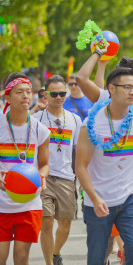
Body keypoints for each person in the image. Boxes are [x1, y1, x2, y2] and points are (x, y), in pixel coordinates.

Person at [75, 67, 133, 264]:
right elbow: (80, 167)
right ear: (111, 88)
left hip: (131, 198)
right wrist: (94, 198)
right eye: (127, 87)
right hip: (98, 201)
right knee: (96, 258)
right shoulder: (91, 123)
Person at [0, 73, 50, 265]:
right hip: (2, 203)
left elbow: (44, 164)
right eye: (19, 92)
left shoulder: (40, 130)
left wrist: (41, 177)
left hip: (29, 203)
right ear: (8, 97)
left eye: (28, 92)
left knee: (21, 257)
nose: (25, 96)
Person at [32, 75, 82, 265]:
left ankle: (55, 252)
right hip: (43, 177)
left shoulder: (74, 119)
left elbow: (80, 151)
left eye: (62, 93)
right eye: (54, 94)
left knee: (66, 224)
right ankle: (49, 263)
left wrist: (83, 180)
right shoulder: (36, 119)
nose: (59, 97)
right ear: (45, 94)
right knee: (47, 221)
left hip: (66, 178)